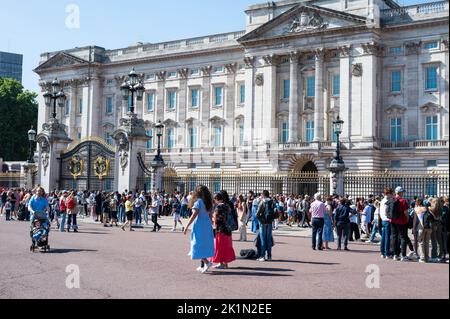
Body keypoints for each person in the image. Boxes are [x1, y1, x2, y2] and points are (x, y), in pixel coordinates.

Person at [183, 185, 215, 274]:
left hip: (199, 224)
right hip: (207, 224)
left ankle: (207, 262)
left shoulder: (198, 202)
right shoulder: (208, 202)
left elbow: (194, 215)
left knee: (196, 244)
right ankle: (204, 264)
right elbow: (210, 215)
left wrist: (186, 226)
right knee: (203, 244)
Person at [211, 203, 236, 269]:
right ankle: (225, 263)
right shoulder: (227, 205)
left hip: (220, 229)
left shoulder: (219, 206)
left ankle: (221, 263)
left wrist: (214, 223)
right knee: (226, 246)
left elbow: (216, 217)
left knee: (219, 246)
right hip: (228, 229)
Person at [390, 187, 410, 261]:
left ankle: (396, 255)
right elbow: (406, 212)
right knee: (403, 237)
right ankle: (403, 255)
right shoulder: (403, 200)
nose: (403, 193)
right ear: (400, 192)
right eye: (402, 192)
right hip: (401, 221)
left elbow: (386, 211)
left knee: (395, 237)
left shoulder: (392, 199)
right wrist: (407, 219)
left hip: (392, 220)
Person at [256, 190, 275, 261]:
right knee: (269, 240)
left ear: (263, 195)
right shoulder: (272, 202)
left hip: (263, 223)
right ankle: (269, 256)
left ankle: (262, 256)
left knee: (263, 240)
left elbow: (257, 214)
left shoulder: (262, 202)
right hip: (269, 223)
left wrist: (261, 220)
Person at [413, 198, 432, 263]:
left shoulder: (416, 209)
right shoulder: (427, 209)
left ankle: (422, 258)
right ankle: (427, 257)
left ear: (417, 203)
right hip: (429, 227)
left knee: (421, 242)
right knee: (426, 242)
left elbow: (415, 221)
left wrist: (414, 228)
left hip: (421, 227)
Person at [380, 188, 393, 259]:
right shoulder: (387, 201)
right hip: (388, 220)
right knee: (387, 237)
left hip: (383, 220)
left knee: (383, 237)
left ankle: (382, 252)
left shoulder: (382, 200)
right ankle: (387, 253)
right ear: (388, 194)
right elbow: (386, 211)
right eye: (391, 194)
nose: (392, 195)